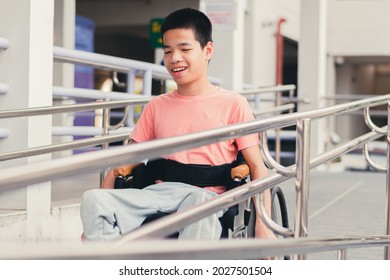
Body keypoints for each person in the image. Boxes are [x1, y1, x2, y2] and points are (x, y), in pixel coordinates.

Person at [80, 7, 274, 241]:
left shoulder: (232, 103)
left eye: (185, 49)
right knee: (93, 199)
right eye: (168, 51)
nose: (175, 58)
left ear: (207, 50)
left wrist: (264, 225)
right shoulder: (157, 106)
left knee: (198, 204)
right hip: (160, 193)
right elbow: (126, 160)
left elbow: (257, 167)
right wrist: (95, 216)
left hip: (206, 197)